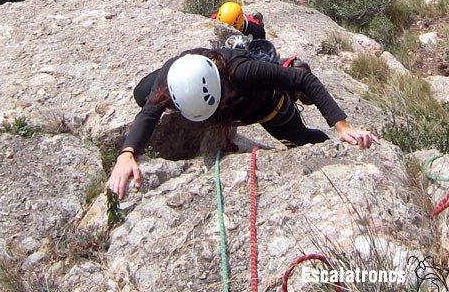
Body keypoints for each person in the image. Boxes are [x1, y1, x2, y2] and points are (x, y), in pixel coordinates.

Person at [107, 48, 379, 199]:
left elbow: (305, 81)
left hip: (265, 107)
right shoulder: (172, 75)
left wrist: (342, 126)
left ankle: (291, 74)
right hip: (215, 94)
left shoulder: (242, 72)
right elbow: (149, 112)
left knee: (301, 140)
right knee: (142, 94)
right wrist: (127, 153)